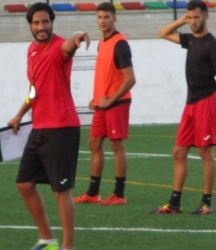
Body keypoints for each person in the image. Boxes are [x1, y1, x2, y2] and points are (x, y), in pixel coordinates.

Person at [7, 2, 90, 250]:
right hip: (39, 128)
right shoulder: (31, 51)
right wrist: (20, 114)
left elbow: (69, 46)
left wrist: (77, 39)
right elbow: (34, 89)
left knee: (61, 191)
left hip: (62, 128)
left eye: (45, 22)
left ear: (52, 23)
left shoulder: (59, 48)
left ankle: (67, 247)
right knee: (23, 184)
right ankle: (46, 238)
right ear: (30, 26)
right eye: (36, 23)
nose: (41, 27)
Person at [150, 0, 216, 215]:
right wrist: (182, 20)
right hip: (190, 104)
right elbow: (163, 33)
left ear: (206, 16)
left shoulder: (211, 44)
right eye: (190, 17)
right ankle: (174, 204)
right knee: (178, 153)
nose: (193, 21)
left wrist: (211, 88)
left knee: (205, 152)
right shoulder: (190, 40)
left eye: (196, 17)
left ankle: (206, 203)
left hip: (205, 102)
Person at [73, 2, 136, 206]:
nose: (102, 21)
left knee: (117, 146)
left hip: (117, 103)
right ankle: (93, 193)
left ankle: (119, 194)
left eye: (106, 17)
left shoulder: (120, 43)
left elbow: (130, 79)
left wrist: (110, 98)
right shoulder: (103, 43)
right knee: (94, 144)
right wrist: (97, 98)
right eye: (99, 17)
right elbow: (107, 74)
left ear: (114, 18)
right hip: (102, 104)